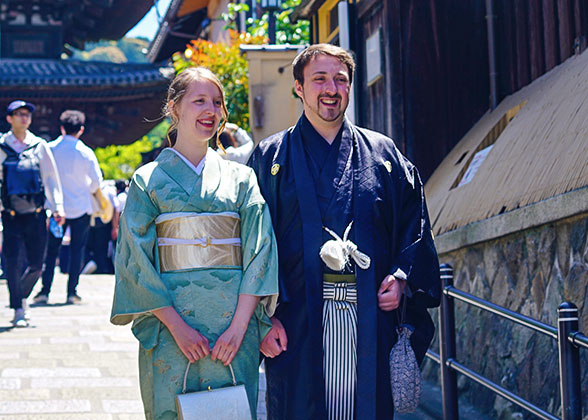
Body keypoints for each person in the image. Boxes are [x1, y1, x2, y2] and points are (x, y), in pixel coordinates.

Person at [248, 44, 441, 419]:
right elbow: (253, 244)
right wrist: (262, 318)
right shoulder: (271, 157)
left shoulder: (383, 155)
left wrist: (401, 279)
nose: (331, 89)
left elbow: (414, 224)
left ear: (350, 87)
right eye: (319, 79)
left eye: (340, 79)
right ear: (299, 88)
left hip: (370, 316)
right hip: (296, 322)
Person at [110, 67, 278, 420]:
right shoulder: (147, 180)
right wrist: (177, 327)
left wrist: (239, 327)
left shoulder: (241, 178)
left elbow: (260, 250)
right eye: (199, 100)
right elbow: (135, 261)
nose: (211, 111)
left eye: (217, 103)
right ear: (174, 108)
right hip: (171, 324)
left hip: (234, 323)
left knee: (232, 410)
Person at [0, 100, 64, 327]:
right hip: (10, 215)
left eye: (27, 114)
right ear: (9, 118)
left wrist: (58, 207)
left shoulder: (39, 146)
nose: (24, 118)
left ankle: (21, 296)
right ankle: (18, 308)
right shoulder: (1, 145)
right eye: (18, 114)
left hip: (37, 213)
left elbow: (51, 179)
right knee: (13, 261)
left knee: (38, 264)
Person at [35, 110, 102, 305]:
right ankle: (72, 292)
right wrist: (84, 188)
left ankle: (44, 291)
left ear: (62, 127)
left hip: (56, 209)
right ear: (81, 129)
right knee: (77, 250)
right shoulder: (86, 152)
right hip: (81, 207)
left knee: (51, 251)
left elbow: (42, 177)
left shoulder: (49, 149)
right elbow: (96, 181)